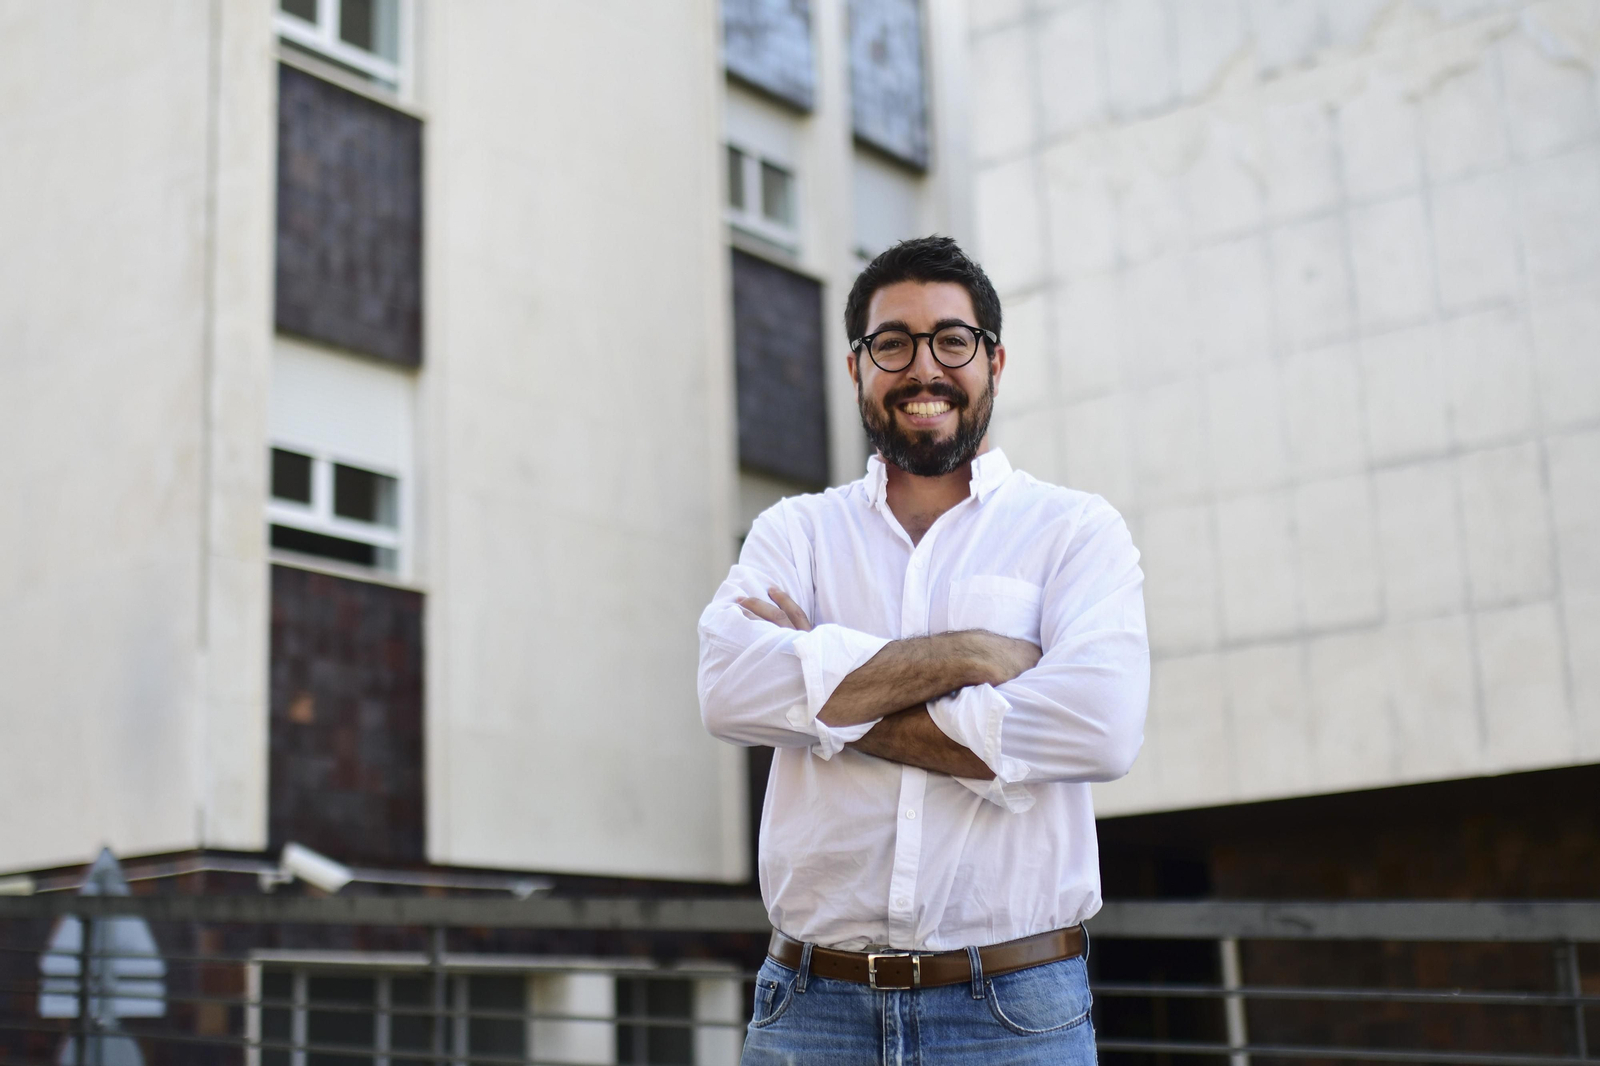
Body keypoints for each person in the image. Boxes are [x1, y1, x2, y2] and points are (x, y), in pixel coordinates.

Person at [698, 235, 1149, 1064]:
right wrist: (977, 655)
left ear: (995, 362)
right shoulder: (795, 531)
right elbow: (728, 690)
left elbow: (1100, 727)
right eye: (892, 344)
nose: (923, 369)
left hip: (1013, 1014)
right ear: (857, 368)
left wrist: (822, 697)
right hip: (810, 1009)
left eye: (951, 340)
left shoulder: (1075, 533)